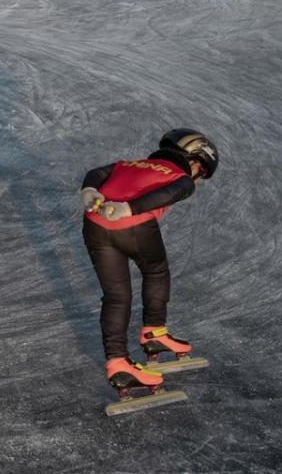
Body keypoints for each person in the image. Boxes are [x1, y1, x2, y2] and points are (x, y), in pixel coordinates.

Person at [79, 129, 219, 393]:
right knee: (156, 272)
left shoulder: (128, 164)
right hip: (134, 226)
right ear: (195, 163)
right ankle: (154, 334)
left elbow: (97, 172)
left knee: (115, 295)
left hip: (94, 224)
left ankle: (118, 363)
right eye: (201, 174)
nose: (197, 181)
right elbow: (169, 194)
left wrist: (89, 190)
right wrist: (129, 209)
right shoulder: (182, 178)